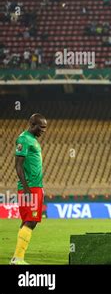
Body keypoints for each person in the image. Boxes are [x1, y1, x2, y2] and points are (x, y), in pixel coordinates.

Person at [11, 114, 47, 265]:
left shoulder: (33, 140)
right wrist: (26, 188)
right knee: (30, 221)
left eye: (45, 127)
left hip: (36, 187)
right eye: (41, 127)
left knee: (28, 220)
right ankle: (17, 258)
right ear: (32, 124)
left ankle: (17, 258)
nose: (43, 130)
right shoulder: (24, 139)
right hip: (29, 187)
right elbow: (18, 165)